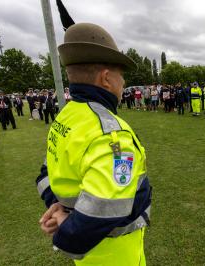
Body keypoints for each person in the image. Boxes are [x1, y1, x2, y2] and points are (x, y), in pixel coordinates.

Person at [35, 22, 151, 265]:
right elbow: (106, 208)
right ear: (106, 78)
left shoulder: (67, 115)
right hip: (114, 252)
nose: (123, 85)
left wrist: (57, 207)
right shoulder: (110, 134)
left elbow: (48, 172)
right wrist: (68, 229)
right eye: (122, 76)